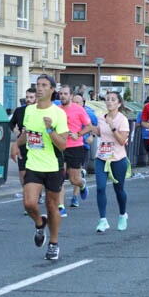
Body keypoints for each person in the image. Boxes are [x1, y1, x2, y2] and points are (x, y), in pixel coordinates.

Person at [11, 74, 69, 261]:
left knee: (52, 205)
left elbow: (63, 145)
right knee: (29, 203)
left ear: (52, 90)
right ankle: (39, 222)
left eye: (44, 85)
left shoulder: (59, 113)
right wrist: (16, 144)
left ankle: (53, 243)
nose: (40, 88)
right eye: (38, 85)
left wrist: (51, 130)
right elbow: (28, 133)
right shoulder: (30, 111)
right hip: (33, 163)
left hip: (52, 165)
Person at [93, 91, 130, 233]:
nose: (109, 102)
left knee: (118, 189)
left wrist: (112, 126)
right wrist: (91, 130)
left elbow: (122, 141)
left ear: (119, 104)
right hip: (102, 156)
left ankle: (122, 214)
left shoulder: (122, 120)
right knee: (100, 187)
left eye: (113, 100)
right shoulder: (101, 118)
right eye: (107, 99)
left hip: (118, 158)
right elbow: (99, 133)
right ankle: (103, 220)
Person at [57, 85, 93, 216]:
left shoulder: (79, 110)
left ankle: (82, 184)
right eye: (61, 94)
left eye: (65, 94)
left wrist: (78, 134)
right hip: (60, 147)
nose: (63, 96)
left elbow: (89, 127)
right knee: (59, 177)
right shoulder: (56, 110)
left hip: (76, 147)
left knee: (73, 179)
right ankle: (60, 207)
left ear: (71, 96)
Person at [9, 87, 37, 189]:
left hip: (35, 144)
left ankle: (36, 193)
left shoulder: (40, 111)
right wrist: (16, 131)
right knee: (22, 171)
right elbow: (11, 123)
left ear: (36, 98)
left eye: (31, 97)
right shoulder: (20, 111)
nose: (28, 99)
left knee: (34, 172)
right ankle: (26, 192)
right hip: (22, 143)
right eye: (27, 97)